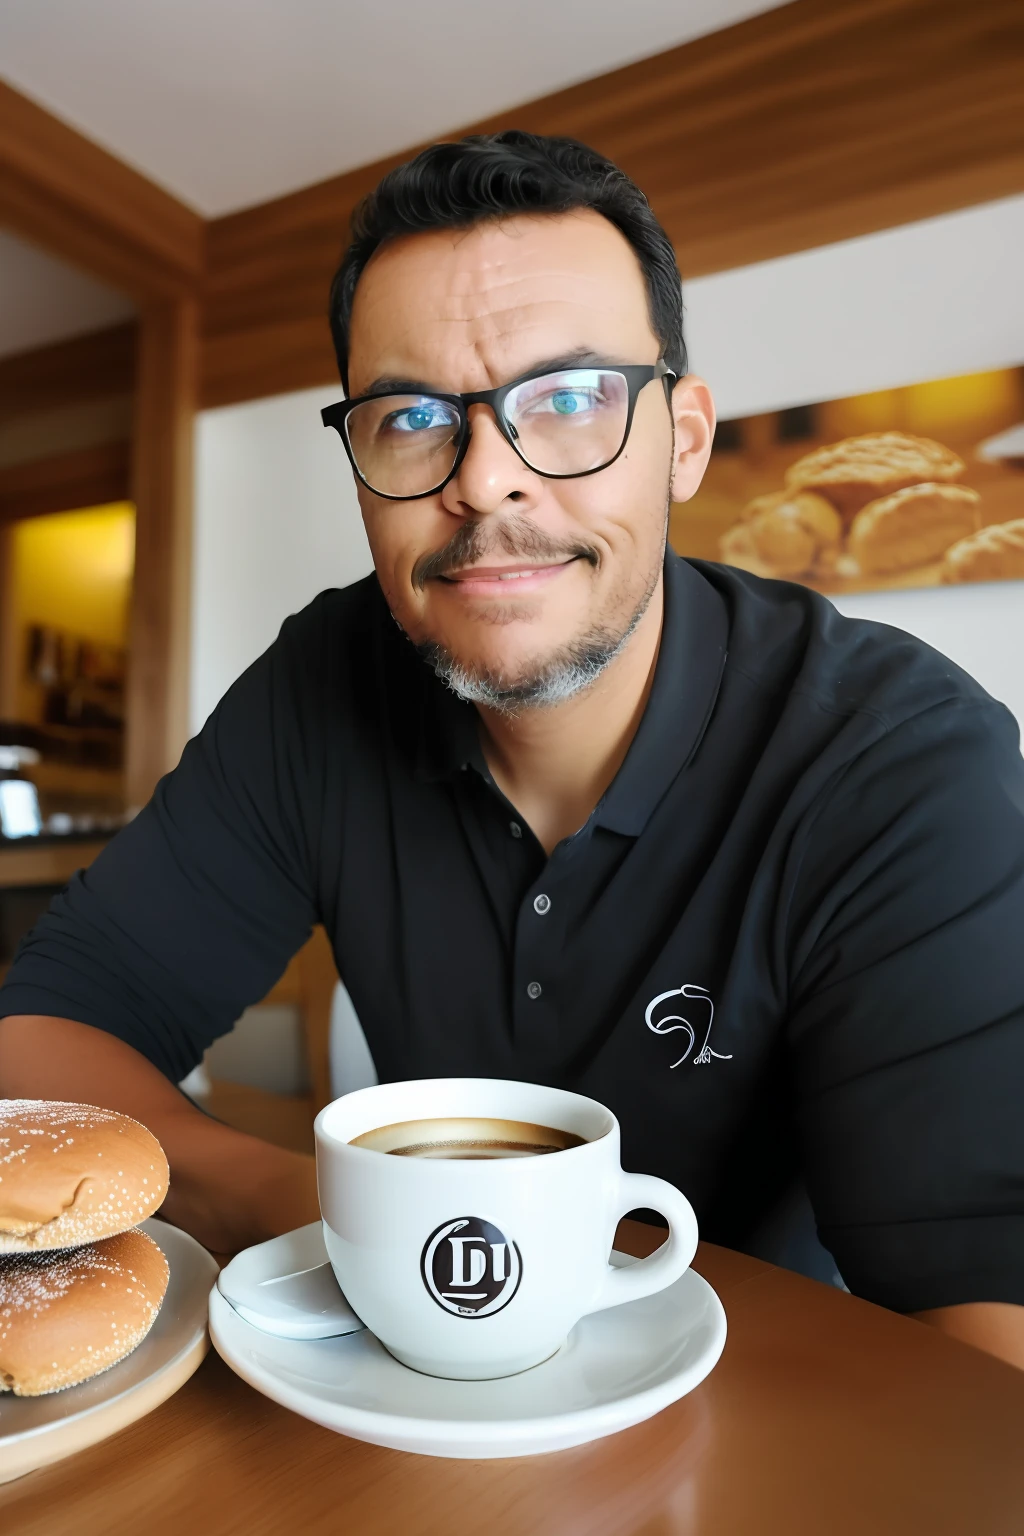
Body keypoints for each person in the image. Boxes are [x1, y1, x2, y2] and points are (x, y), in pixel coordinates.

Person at [2, 132, 1022, 1367]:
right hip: (396, 1389)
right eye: (412, 416)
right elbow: (46, 1039)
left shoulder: (903, 761)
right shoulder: (325, 682)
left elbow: (983, 1326)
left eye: (571, 398)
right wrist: (337, 1225)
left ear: (683, 440)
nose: (485, 481)